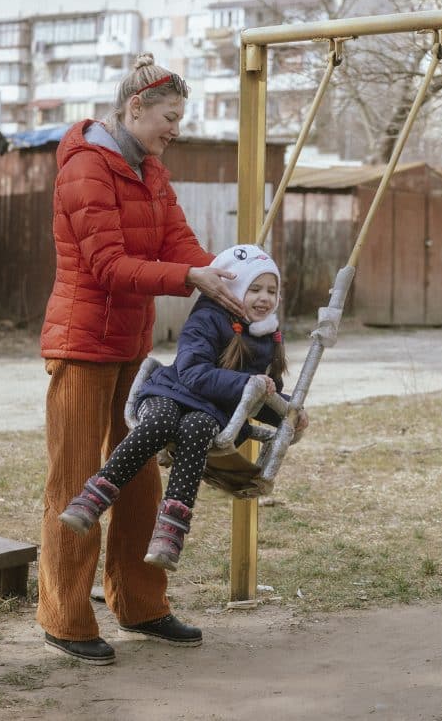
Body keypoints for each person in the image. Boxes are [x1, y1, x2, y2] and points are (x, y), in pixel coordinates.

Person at [38, 53, 246, 666]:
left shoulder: (149, 169)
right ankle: (66, 618)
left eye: (180, 118)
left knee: (139, 478)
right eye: (170, 117)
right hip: (81, 345)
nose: (175, 129)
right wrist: (190, 278)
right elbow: (106, 267)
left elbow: (178, 240)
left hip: (131, 346)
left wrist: (227, 277)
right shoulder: (85, 170)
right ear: (135, 109)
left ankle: (140, 604)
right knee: (75, 482)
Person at [58, 243, 308, 571]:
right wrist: (247, 385)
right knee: (160, 423)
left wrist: (285, 412)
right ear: (234, 290)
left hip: (212, 413)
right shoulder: (206, 319)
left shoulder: (267, 337)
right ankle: (95, 496)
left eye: (271, 291)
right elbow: (192, 373)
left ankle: (170, 531)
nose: (264, 298)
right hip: (173, 392)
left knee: (197, 428)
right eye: (255, 289)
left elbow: (257, 396)